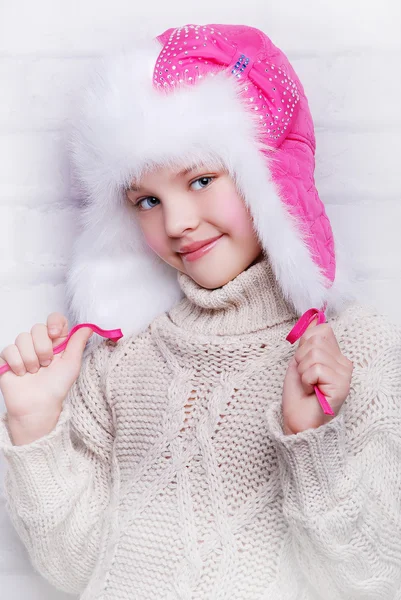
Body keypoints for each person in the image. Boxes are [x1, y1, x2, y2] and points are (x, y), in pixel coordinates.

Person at [1, 23, 401, 600]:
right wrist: (35, 425)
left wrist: (311, 439)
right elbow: (77, 567)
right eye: (147, 200)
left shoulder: (357, 352)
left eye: (202, 179)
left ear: (269, 179)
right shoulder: (122, 358)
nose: (177, 223)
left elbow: (371, 578)